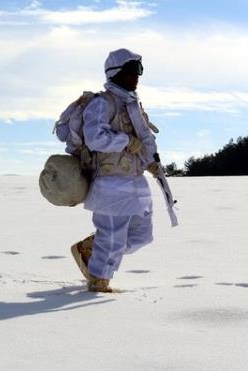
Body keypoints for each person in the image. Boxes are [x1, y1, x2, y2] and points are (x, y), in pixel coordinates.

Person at [70, 48, 159, 292]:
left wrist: (150, 161)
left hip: (135, 181)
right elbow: (95, 138)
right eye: (132, 70)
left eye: (139, 70)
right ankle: (99, 282)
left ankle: (90, 248)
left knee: (142, 236)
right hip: (110, 183)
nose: (137, 75)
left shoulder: (133, 105)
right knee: (112, 237)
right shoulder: (101, 103)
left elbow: (144, 139)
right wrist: (126, 141)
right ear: (115, 72)